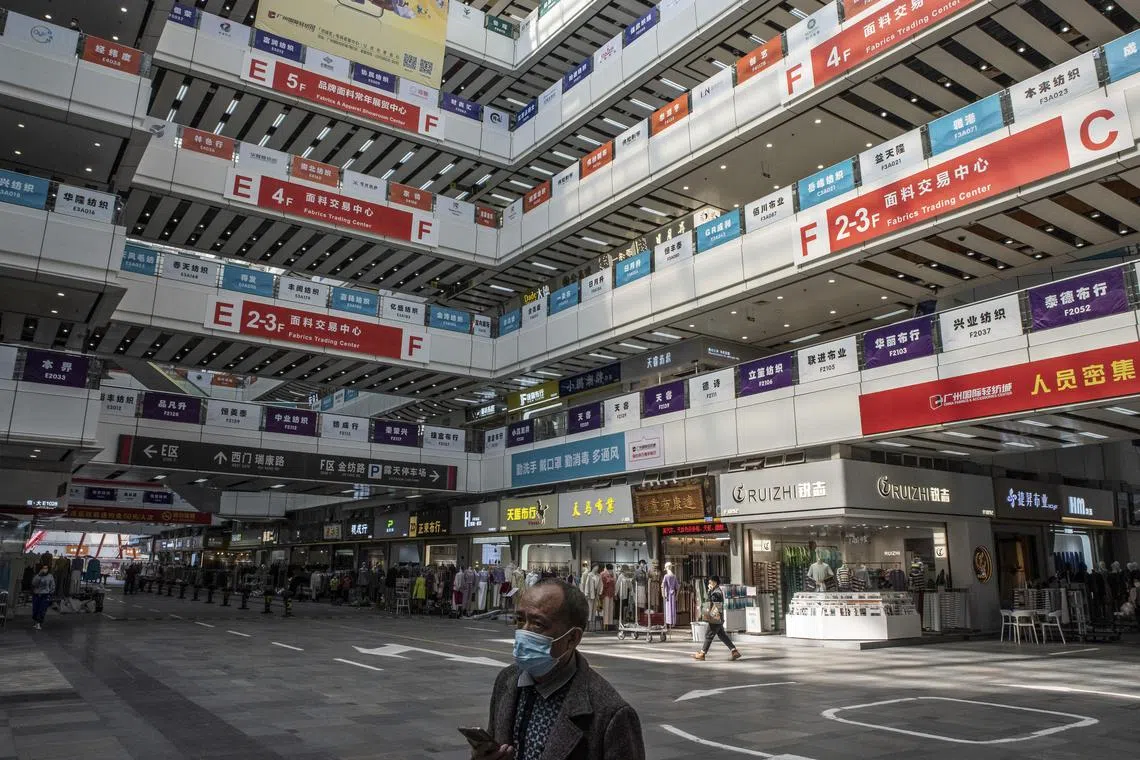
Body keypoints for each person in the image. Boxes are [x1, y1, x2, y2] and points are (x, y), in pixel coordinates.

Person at [475, 579, 645, 760]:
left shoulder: (611, 713)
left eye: (537, 624)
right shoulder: (507, 680)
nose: (524, 632)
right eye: (520, 620)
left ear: (572, 638)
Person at [693, 576, 740, 661]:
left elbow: (712, 601)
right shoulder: (717, 591)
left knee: (708, 635)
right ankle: (734, 651)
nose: (709, 584)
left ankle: (702, 653)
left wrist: (710, 591)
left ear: (715, 582)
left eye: (710, 583)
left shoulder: (716, 592)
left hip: (715, 617)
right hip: (718, 617)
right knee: (722, 635)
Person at [31, 565, 56, 630]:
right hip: (36, 594)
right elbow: (34, 583)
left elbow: (52, 585)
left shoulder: (50, 576)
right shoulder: (37, 575)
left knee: (42, 609)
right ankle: (36, 622)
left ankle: (39, 623)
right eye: (43, 568)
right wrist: (39, 575)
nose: (45, 569)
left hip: (45, 595)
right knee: (35, 609)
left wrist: (50, 593)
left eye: (46, 568)